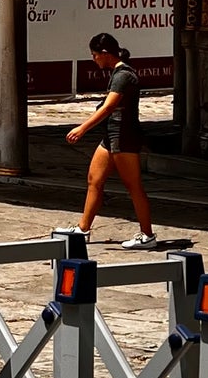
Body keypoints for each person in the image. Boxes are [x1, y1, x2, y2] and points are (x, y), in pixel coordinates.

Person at [66, 32, 156, 249]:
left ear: (105, 53)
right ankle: (83, 229)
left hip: (124, 136)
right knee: (94, 180)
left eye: (95, 54)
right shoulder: (117, 73)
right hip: (111, 136)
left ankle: (147, 235)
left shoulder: (124, 75)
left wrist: (82, 128)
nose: (93, 58)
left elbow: (109, 106)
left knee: (133, 185)